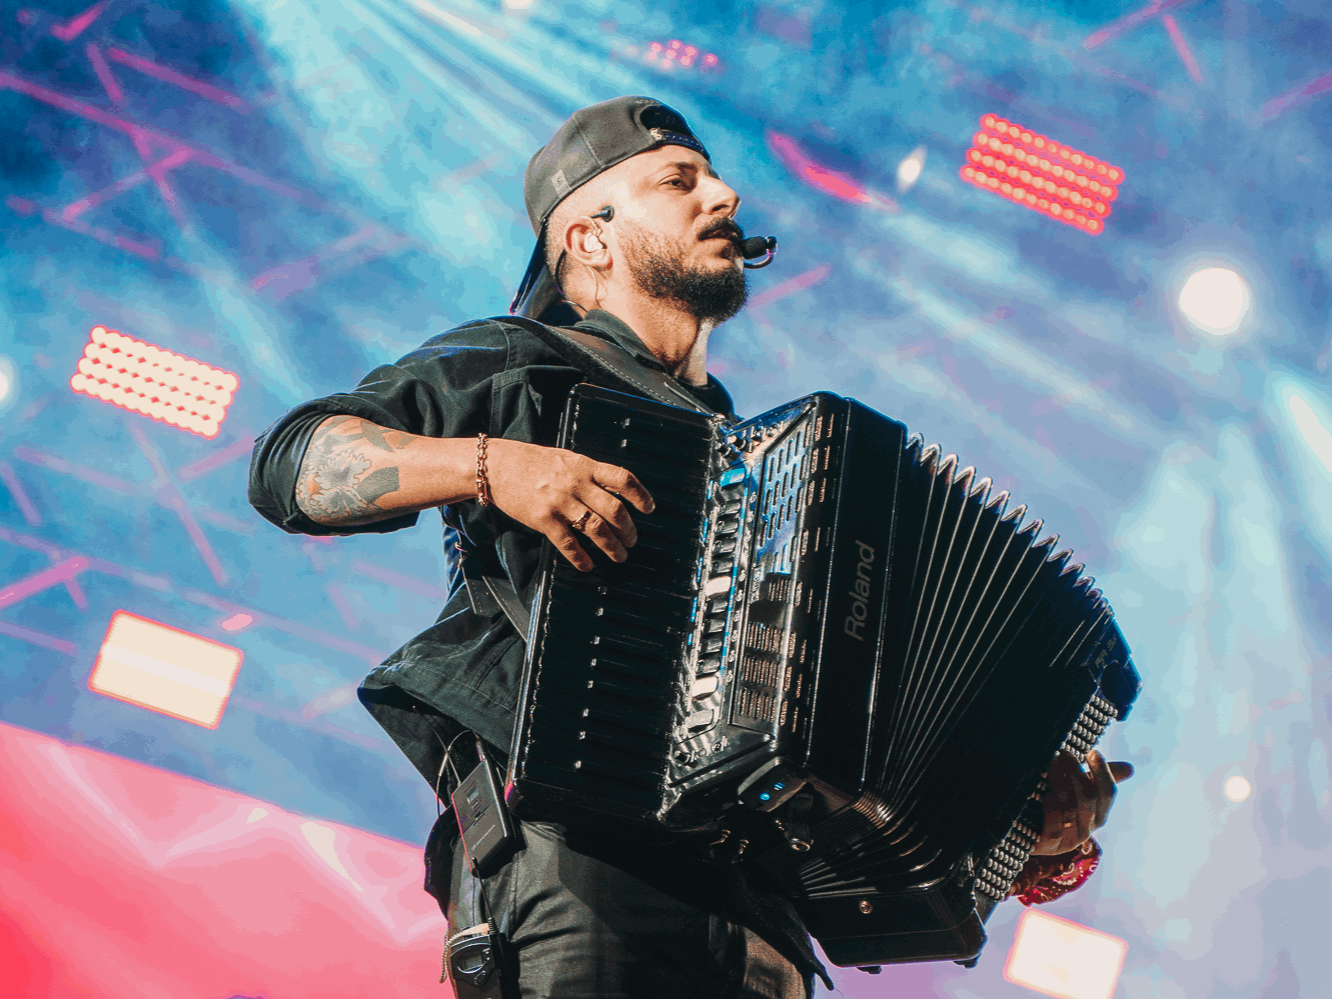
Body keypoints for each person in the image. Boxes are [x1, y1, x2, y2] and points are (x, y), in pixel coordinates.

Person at [249, 96, 1131, 999]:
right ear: (589, 238)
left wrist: (1024, 821)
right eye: (679, 181)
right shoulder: (524, 361)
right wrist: (494, 465)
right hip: (585, 878)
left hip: (765, 920)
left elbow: (865, 738)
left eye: (712, 177)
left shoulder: (771, 470)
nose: (724, 193)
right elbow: (293, 464)